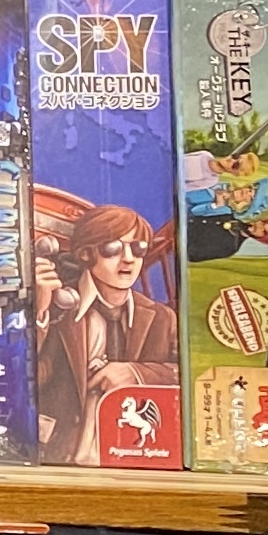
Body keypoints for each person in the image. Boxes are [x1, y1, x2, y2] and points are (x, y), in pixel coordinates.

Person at [36, 199, 182, 466]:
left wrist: (137, 373)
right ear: (85, 254)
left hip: (133, 454)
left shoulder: (162, 318)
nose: (128, 258)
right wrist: (40, 315)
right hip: (58, 455)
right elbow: (29, 376)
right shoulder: (57, 306)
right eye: (112, 248)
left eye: (138, 248)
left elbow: (186, 375)